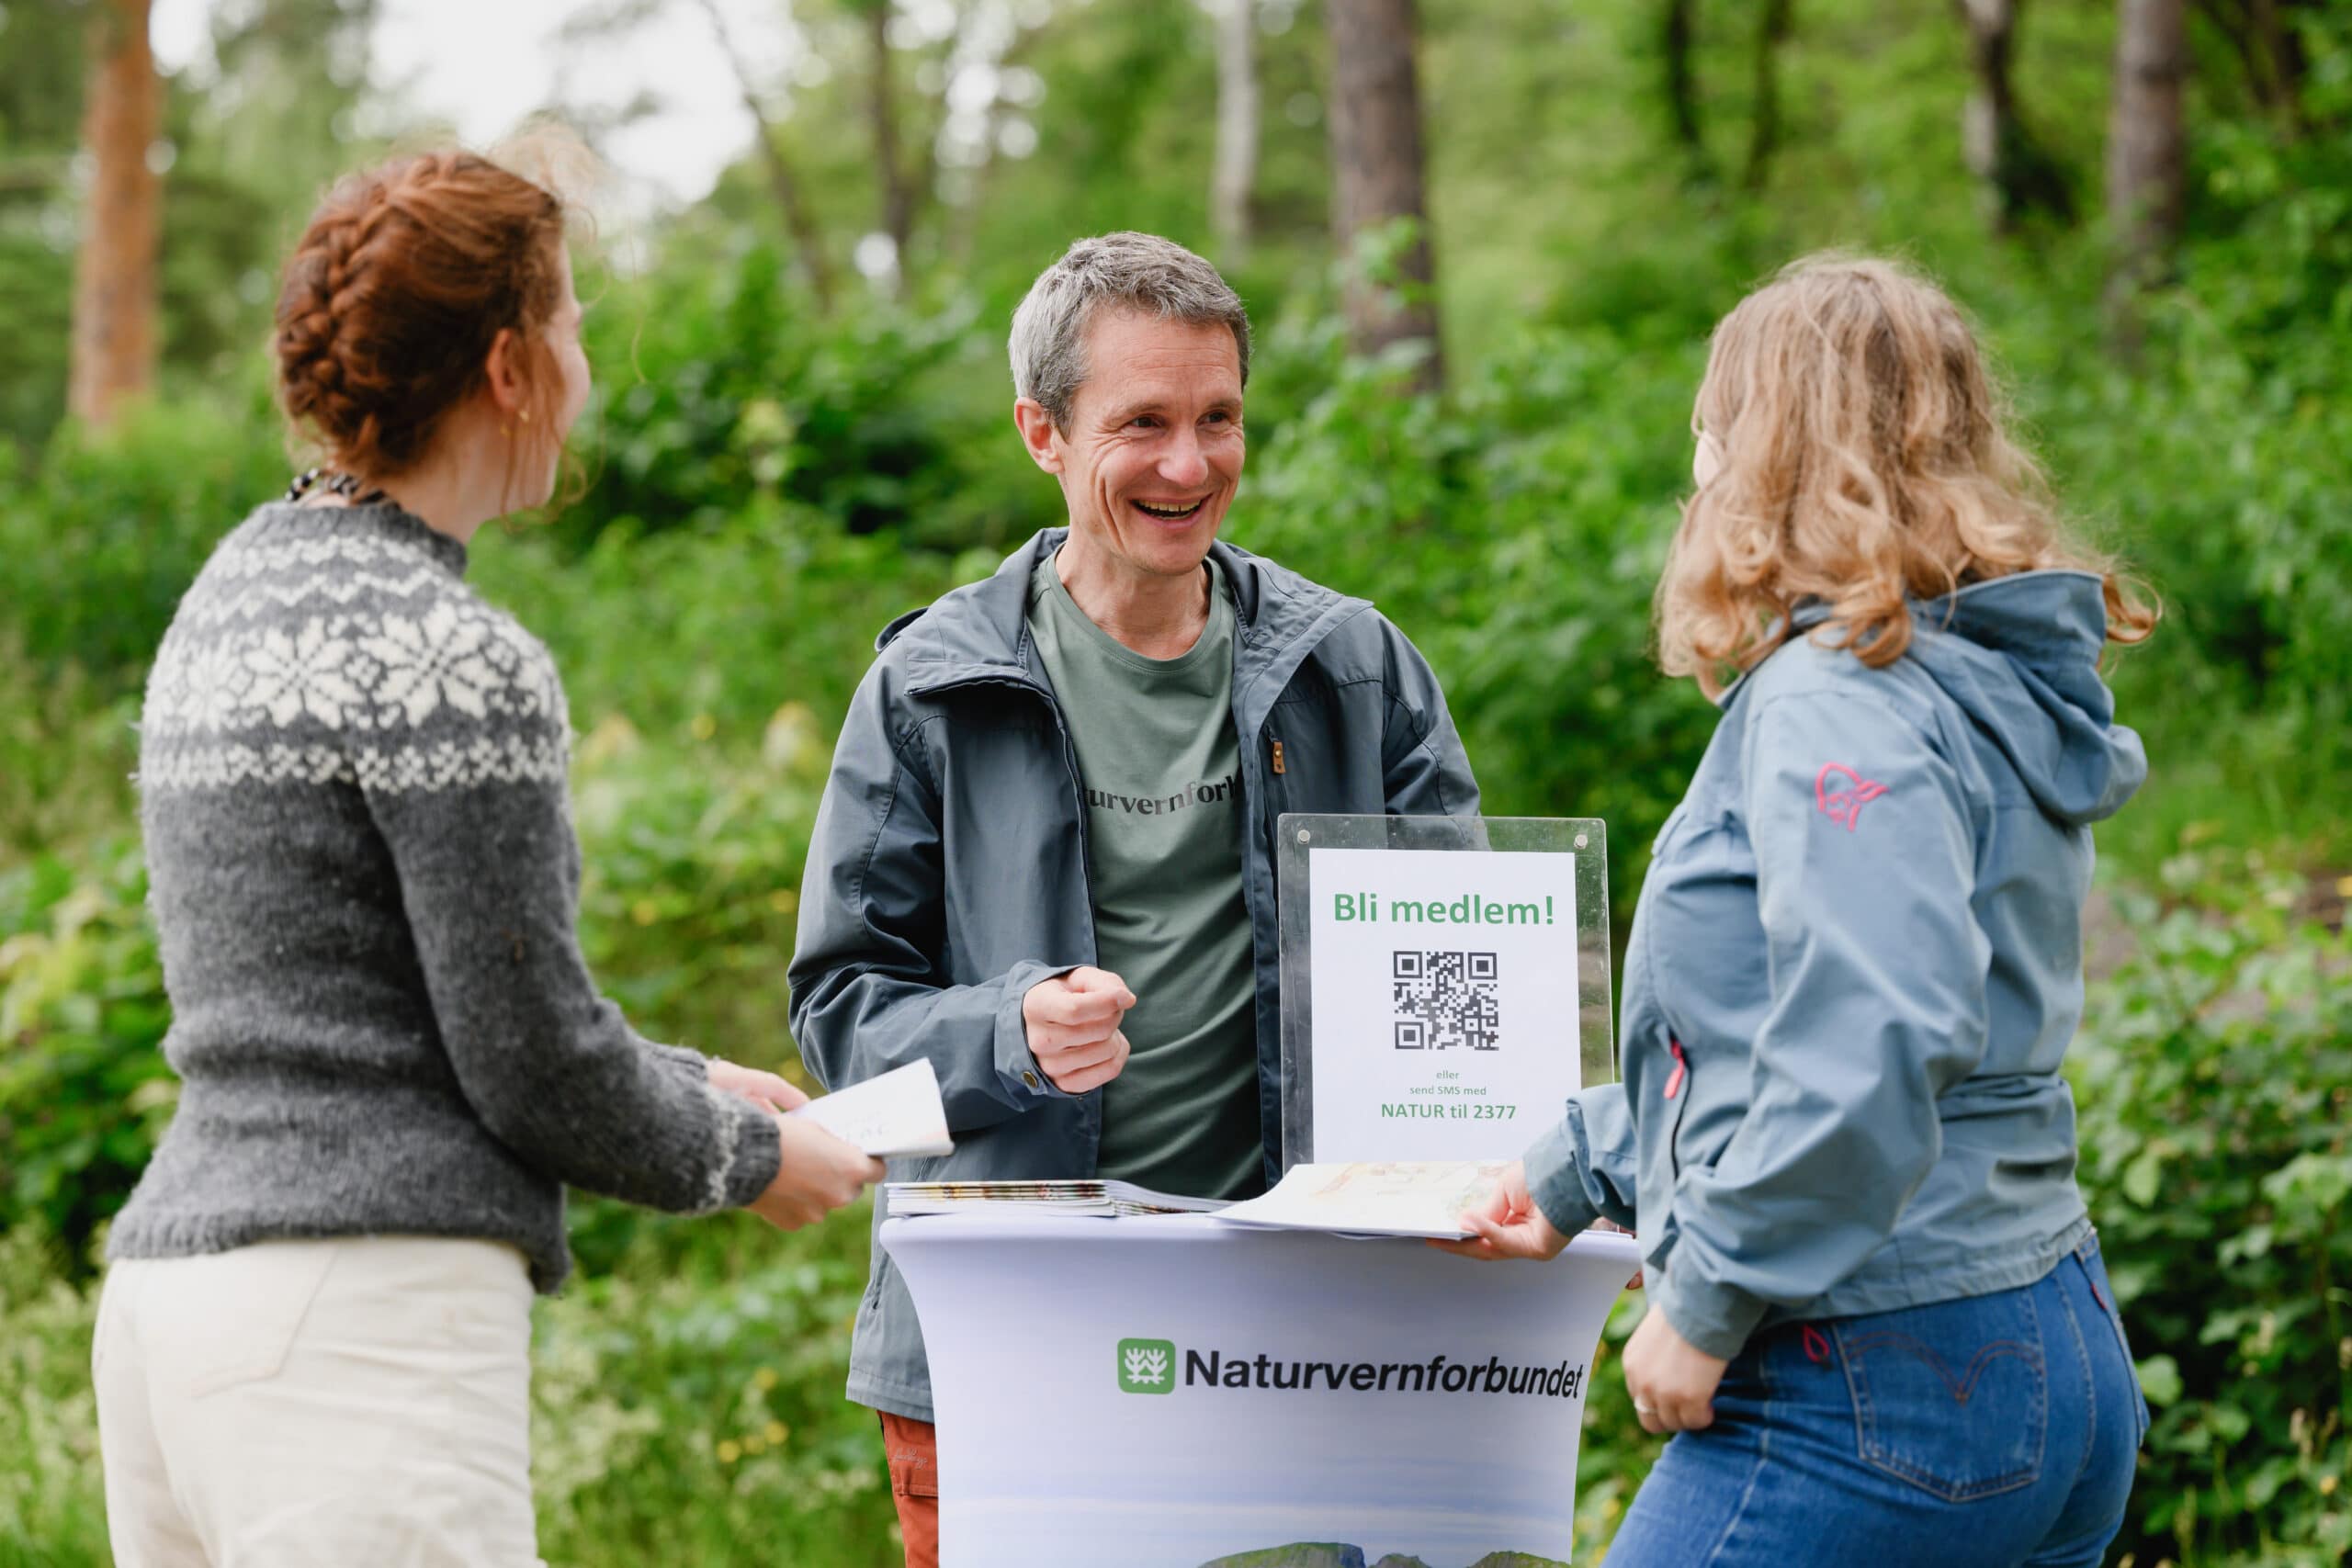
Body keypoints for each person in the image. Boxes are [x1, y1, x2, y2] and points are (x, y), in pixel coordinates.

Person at [94, 141, 883, 1567]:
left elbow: (374, 999)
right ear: (510, 365)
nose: (587, 358)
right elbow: (526, 1060)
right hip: (358, 1332)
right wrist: (754, 1157)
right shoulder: (455, 658)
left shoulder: (230, 595)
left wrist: (693, 1078)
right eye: (571, 319)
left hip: (174, 1319)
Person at [1439, 254, 2158, 1566]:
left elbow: (1876, 1031)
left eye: (1709, 435)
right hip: (2049, 1341)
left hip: (1876, 1372)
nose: (1697, 469)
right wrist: (1577, 1169)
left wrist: (1706, 1300)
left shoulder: (1843, 699)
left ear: (1759, 451)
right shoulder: (1969, 684)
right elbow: (1775, 1028)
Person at [788, 231, 1480, 1563]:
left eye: (1218, 418)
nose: (1190, 465)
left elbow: (1456, 986)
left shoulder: (1355, 669)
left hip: (1303, 1342)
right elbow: (838, 1013)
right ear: (1041, 432)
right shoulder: (931, 688)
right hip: (1016, 1342)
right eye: (1143, 424)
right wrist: (1009, 1033)